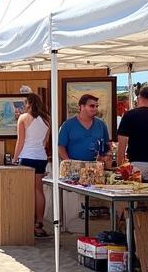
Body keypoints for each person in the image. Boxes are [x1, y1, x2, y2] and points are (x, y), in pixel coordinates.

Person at [12, 92, 51, 238]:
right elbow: (44, 142)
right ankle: (39, 222)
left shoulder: (23, 118)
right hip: (40, 157)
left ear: (28, 103)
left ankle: (27, 222)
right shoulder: (47, 119)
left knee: (25, 191)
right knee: (38, 190)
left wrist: (15, 159)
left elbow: (20, 141)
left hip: (26, 156)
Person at [115, 85, 148, 179]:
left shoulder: (129, 115)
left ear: (139, 98)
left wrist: (119, 166)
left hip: (136, 163)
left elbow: (122, 142)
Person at [57, 94, 111, 163]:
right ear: (82, 107)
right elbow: (61, 147)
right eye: (92, 106)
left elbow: (107, 145)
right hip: (74, 170)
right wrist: (69, 163)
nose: (95, 109)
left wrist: (105, 157)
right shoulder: (68, 125)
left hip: (96, 168)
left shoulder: (101, 124)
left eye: (96, 106)